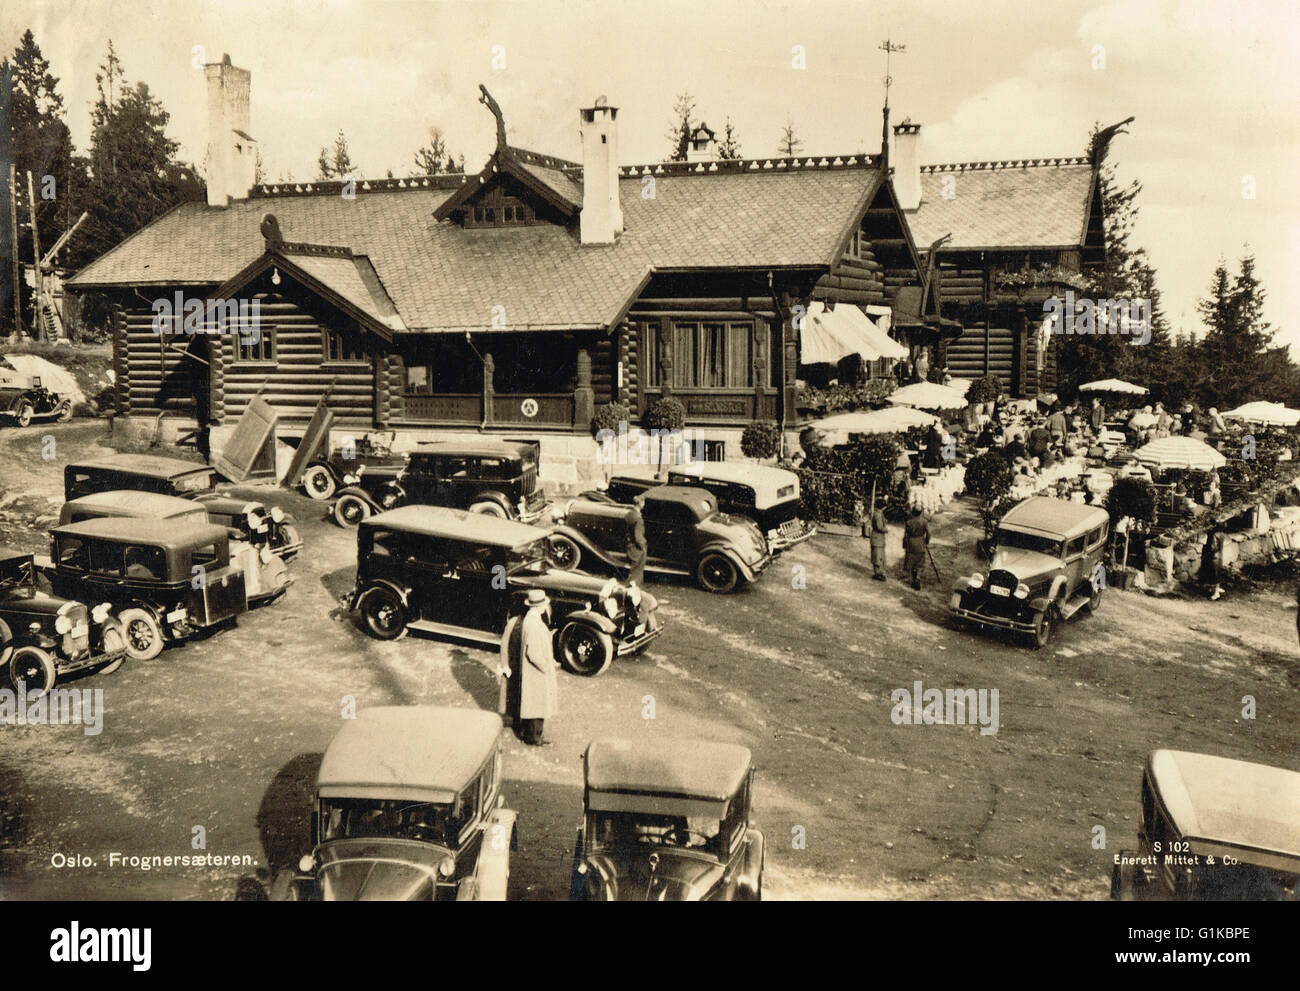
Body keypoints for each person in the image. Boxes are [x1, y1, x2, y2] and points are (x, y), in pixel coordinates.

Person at [514, 589, 558, 745]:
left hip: (534, 672)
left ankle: (532, 734)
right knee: (537, 705)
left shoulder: (532, 620)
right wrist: (546, 666)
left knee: (536, 704)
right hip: (537, 672)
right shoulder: (533, 624)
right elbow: (533, 653)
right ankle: (533, 738)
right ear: (540, 607)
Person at [902, 506, 930, 590]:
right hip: (920, 542)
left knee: (911, 561)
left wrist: (904, 544)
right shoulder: (924, 522)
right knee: (919, 562)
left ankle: (913, 579)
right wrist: (926, 541)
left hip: (911, 543)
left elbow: (906, 535)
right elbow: (929, 533)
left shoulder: (909, 522)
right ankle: (917, 578)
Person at [624, 496, 647, 586]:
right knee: (636, 575)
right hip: (638, 549)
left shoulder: (629, 514)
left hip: (630, 546)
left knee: (632, 571)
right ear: (640, 503)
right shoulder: (639, 519)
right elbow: (638, 537)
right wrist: (643, 547)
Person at [1199, 526, 1226, 601]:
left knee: (1214, 575)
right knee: (1218, 574)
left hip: (1213, 557)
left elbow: (1212, 547)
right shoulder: (1222, 534)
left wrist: (1206, 550)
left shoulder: (1213, 535)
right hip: (1220, 556)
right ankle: (1215, 589)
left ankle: (1215, 593)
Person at [864, 500, 888, 581]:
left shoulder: (878, 514)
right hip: (877, 537)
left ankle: (879, 572)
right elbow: (879, 527)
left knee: (879, 555)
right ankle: (877, 573)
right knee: (877, 555)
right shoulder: (878, 515)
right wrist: (886, 530)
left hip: (879, 538)